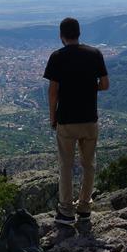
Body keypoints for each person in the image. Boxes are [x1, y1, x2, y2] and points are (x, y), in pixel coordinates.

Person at [43, 17, 109, 226]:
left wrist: (53, 116)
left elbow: (53, 92)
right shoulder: (94, 54)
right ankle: (85, 208)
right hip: (90, 119)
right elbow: (105, 84)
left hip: (67, 120)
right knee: (89, 165)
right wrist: (89, 88)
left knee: (66, 166)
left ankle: (66, 211)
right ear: (79, 33)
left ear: (61, 36)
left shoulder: (57, 57)